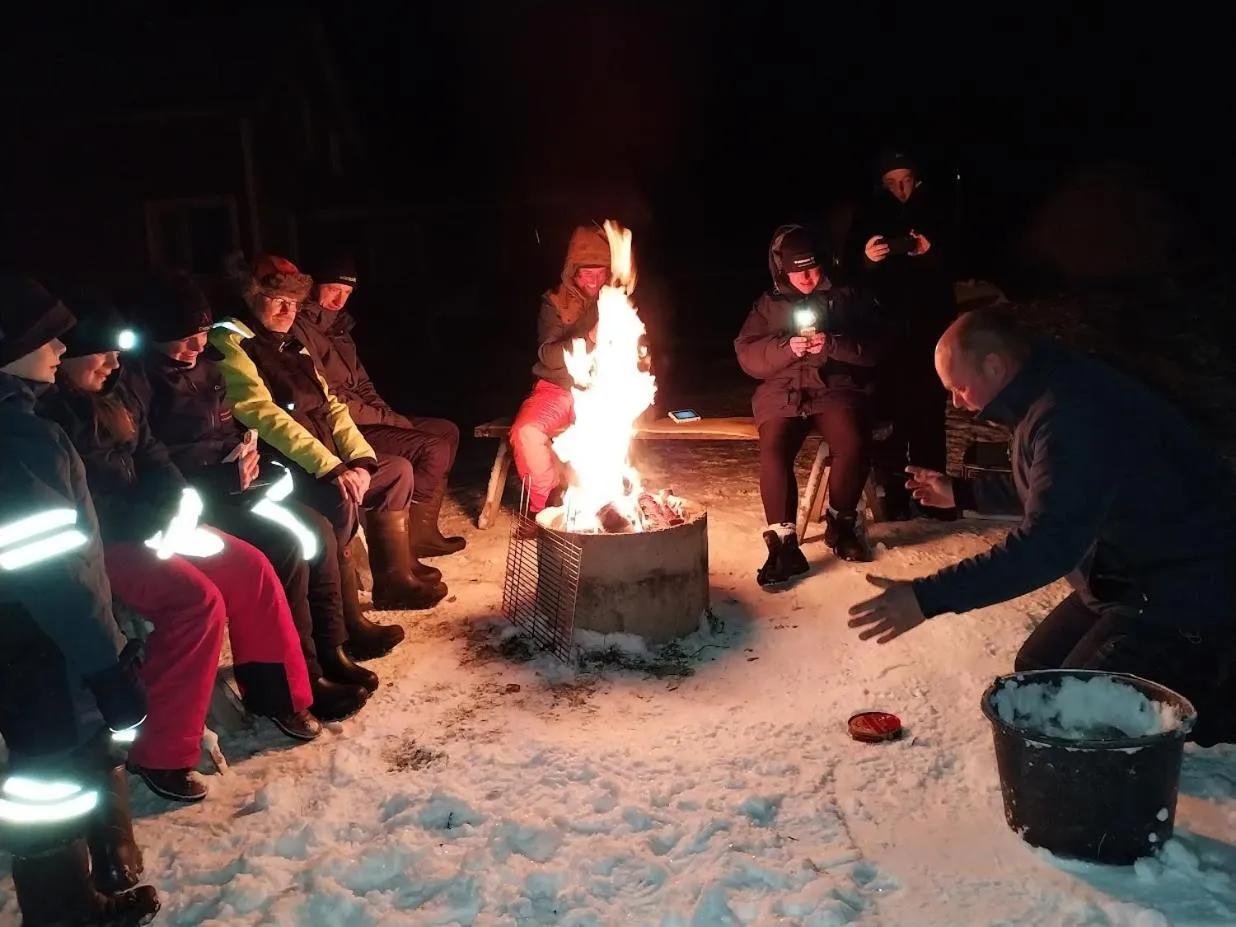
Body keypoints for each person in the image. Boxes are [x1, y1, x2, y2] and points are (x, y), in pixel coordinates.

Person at [848, 309, 1236, 746]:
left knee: (1070, 716)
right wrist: (962, 493)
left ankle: (1206, 696)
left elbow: (1048, 545)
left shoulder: (1070, 411)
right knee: (1037, 672)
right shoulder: (1046, 389)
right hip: (1120, 574)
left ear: (995, 365)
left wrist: (926, 597)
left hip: (1178, 589)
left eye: (959, 387)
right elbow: (1058, 487)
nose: (956, 402)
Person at [38, 289, 320, 803]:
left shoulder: (116, 393)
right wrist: (154, 524)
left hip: (150, 525)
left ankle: (277, 692)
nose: (113, 363)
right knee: (195, 602)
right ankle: (162, 749)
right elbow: (84, 501)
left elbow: (153, 456)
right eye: (101, 354)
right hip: (101, 543)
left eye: (116, 353)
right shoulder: (48, 415)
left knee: (251, 567)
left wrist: (178, 504)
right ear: (69, 356)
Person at [127, 268, 375, 721]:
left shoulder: (205, 369)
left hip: (229, 490)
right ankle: (295, 681)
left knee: (316, 530)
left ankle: (329, 651)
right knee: (285, 547)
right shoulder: (140, 382)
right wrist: (221, 477)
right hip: (191, 506)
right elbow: (153, 458)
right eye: (184, 337)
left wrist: (243, 456)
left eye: (201, 333)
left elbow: (225, 431)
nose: (198, 345)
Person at [0, 274, 160, 925]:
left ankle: (65, 903)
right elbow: (51, 572)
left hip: (24, 637)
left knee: (44, 771)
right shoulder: (19, 442)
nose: (63, 347)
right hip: (39, 643)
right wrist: (104, 662)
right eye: (47, 336)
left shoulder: (22, 425)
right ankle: (64, 913)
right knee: (50, 776)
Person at [210, 254, 446, 617]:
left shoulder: (291, 344)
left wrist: (362, 459)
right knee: (339, 495)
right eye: (278, 301)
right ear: (251, 296)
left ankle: (394, 581)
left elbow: (332, 405)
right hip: (283, 464)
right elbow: (263, 415)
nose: (288, 311)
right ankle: (344, 619)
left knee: (395, 471)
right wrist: (333, 468)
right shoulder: (232, 342)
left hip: (324, 454)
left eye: (295, 303)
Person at [735, 225, 886, 582]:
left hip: (834, 386)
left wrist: (833, 344)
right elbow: (747, 354)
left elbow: (877, 345)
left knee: (852, 441)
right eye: (798, 270)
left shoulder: (846, 296)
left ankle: (841, 523)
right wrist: (785, 348)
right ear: (781, 269)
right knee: (774, 448)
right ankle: (784, 545)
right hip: (782, 391)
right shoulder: (768, 304)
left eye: (814, 268)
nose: (808, 277)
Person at [293, 252, 466, 562]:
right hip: (345, 426)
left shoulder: (338, 329)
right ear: (313, 286)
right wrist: (388, 419)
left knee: (447, 431)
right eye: (333, 288)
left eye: (346, 293)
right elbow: (332, 399)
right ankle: (408, 537)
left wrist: (388, 414)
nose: (339, 299)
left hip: (367, 416)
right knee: (433, 448)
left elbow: (362, 383)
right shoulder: (301, 329)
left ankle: (423, 532)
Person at [846, 150, 958, 520]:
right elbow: (850, 273)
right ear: (882, 184)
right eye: (892, 182)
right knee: (890, 416)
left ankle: (935, 497)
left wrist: (928, 252)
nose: (900, 189)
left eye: (906, 180)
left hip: (931, 331)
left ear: (918, 179)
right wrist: (868, 258)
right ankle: (893, 498)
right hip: (886, 333)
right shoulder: (867, 215)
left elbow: (958, 264)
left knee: (929, 413)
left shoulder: (939, 212)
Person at [510, 224, 611, 516]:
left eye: (600, 272)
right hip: (556, 388)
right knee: (526, 432)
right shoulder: (554, 302)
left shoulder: (616, 300)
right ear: (573, 272)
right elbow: (547, 354)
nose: (594, 280)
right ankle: (546, 506)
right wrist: (588, 339)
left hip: (601, 390)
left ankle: (603, 507)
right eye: (587, 273)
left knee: (607, 432)